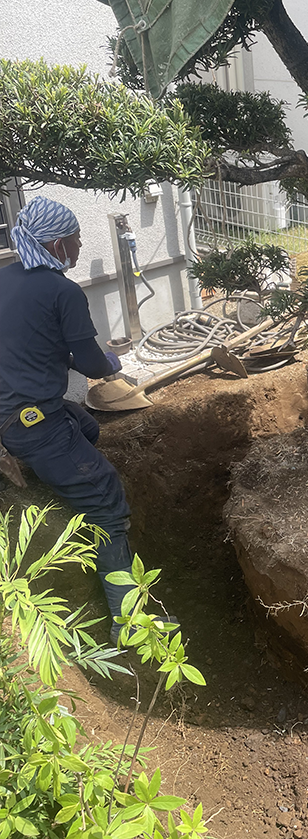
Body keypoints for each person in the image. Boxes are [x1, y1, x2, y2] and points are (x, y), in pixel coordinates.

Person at [0, 196, 134, 629]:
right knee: (108, 501)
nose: (78, 248)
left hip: (12, 415)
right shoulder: (62, 290)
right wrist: (111, 362)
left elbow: (40, 343)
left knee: (88, 426)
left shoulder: (6, 279)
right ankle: (128, 620)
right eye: (75, 240)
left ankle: (56, 487)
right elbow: (93, 364)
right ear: (56, 245)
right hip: (36, 425)